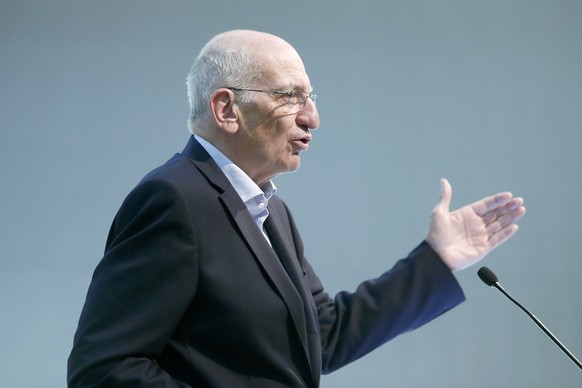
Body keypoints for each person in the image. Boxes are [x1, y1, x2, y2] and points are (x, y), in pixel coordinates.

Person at [67, 30, 526, 387]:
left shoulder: (269, 209)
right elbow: (105, 370)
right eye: (290, 96)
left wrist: (437, 260)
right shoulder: (175, 199)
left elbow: (322, 336)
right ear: (227, 109)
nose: (312, 117)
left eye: (311, 98)